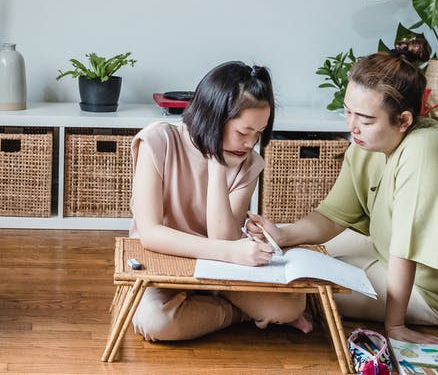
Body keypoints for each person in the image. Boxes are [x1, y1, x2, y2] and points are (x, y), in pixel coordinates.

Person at [248, 38, 438, 344]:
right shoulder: (367, 142)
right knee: (288, 253)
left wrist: (395, 327)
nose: (353, 126)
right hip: (388, 251)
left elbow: (406, 249)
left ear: (404, 121)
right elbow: (333, 217)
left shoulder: (424, 151)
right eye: (348, 112)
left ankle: (248, 308)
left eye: (366, 119)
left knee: (303, 286)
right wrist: (283, 235)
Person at [129, 61, 313, 342]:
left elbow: (224, 237)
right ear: (214, 118)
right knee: (156, 322)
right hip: (166, 261)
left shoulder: (249, 163)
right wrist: (214, 157)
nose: (250, 143)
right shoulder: (157, 141)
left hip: (219, 265)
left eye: (259, 133)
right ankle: (238, 315)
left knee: (290, 306)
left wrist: (217, 167)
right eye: (243, 132)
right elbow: (151, 233)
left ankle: (207, 308)